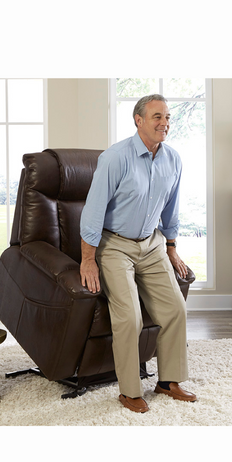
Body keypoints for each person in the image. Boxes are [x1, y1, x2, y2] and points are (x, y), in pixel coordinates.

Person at [80, 94, 196, 413]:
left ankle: (168, 380)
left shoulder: (173, 159)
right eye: (157, 116)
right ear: (139, 120)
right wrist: (88, 259)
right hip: (115, 245)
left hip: (152, 243)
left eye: (168, 117)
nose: (165, 123)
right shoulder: (115, 157)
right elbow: (93, 211)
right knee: (129, 317)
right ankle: (129, 391)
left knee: (176, 309)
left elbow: (171, 209)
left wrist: (171, 248)